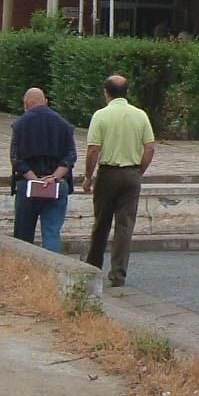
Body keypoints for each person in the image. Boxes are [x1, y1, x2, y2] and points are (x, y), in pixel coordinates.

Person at [81, 75, 154, 288]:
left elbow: (94, 148)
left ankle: (93, 267)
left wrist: (88, 177)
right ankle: (118, 273)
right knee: (125, 225)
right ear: (127, 92)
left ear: (106, 92)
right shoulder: (140, 116)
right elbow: (150, 147)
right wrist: (139, 170)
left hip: (108, 173)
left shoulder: (101, 116)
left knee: (101, 222)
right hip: (132, 173)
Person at [10, 87, 76, 253]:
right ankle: (53, 271)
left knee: (23, 236)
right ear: (46, 102)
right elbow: (71, 156)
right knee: (52, 233)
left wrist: (35, 179)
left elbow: (16, 158)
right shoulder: (63, 124)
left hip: (28, 185)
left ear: (26, 104)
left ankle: (25, 270)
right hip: (56, 184)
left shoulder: (20, 124)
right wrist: (54, 177)